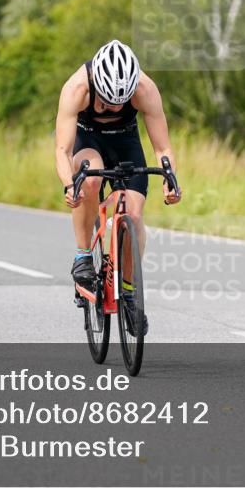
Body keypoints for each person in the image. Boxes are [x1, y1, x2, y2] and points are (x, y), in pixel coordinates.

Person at [54, 40, 181, 333]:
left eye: (120, 102)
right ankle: (83, 256)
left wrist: (170, 179)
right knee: (90, 179)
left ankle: (129, 291)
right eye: (107, 101)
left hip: (126, 142)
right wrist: (69, 185)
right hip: (88, 139)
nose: (113, 107)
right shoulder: (77, 88)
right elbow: (62, 150)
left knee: (133, 216)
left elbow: (162, 148)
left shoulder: (145, 89)